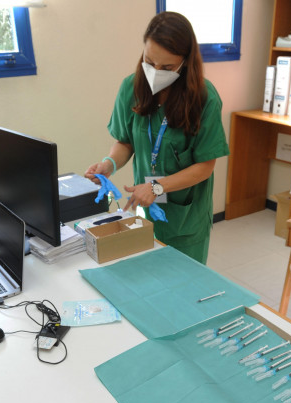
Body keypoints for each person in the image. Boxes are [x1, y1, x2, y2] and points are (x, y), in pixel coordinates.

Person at [85, 11, 229, 264]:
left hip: (185, 219)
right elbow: (125, 141)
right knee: (149, 278)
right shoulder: (131, 88)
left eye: (167, 67)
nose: (155, 71)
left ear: (186, 62)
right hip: (145, 211)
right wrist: (109, 164)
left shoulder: (204, 99)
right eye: (149, 62)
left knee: (182, 287)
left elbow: (205, 165)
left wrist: (157, 187)